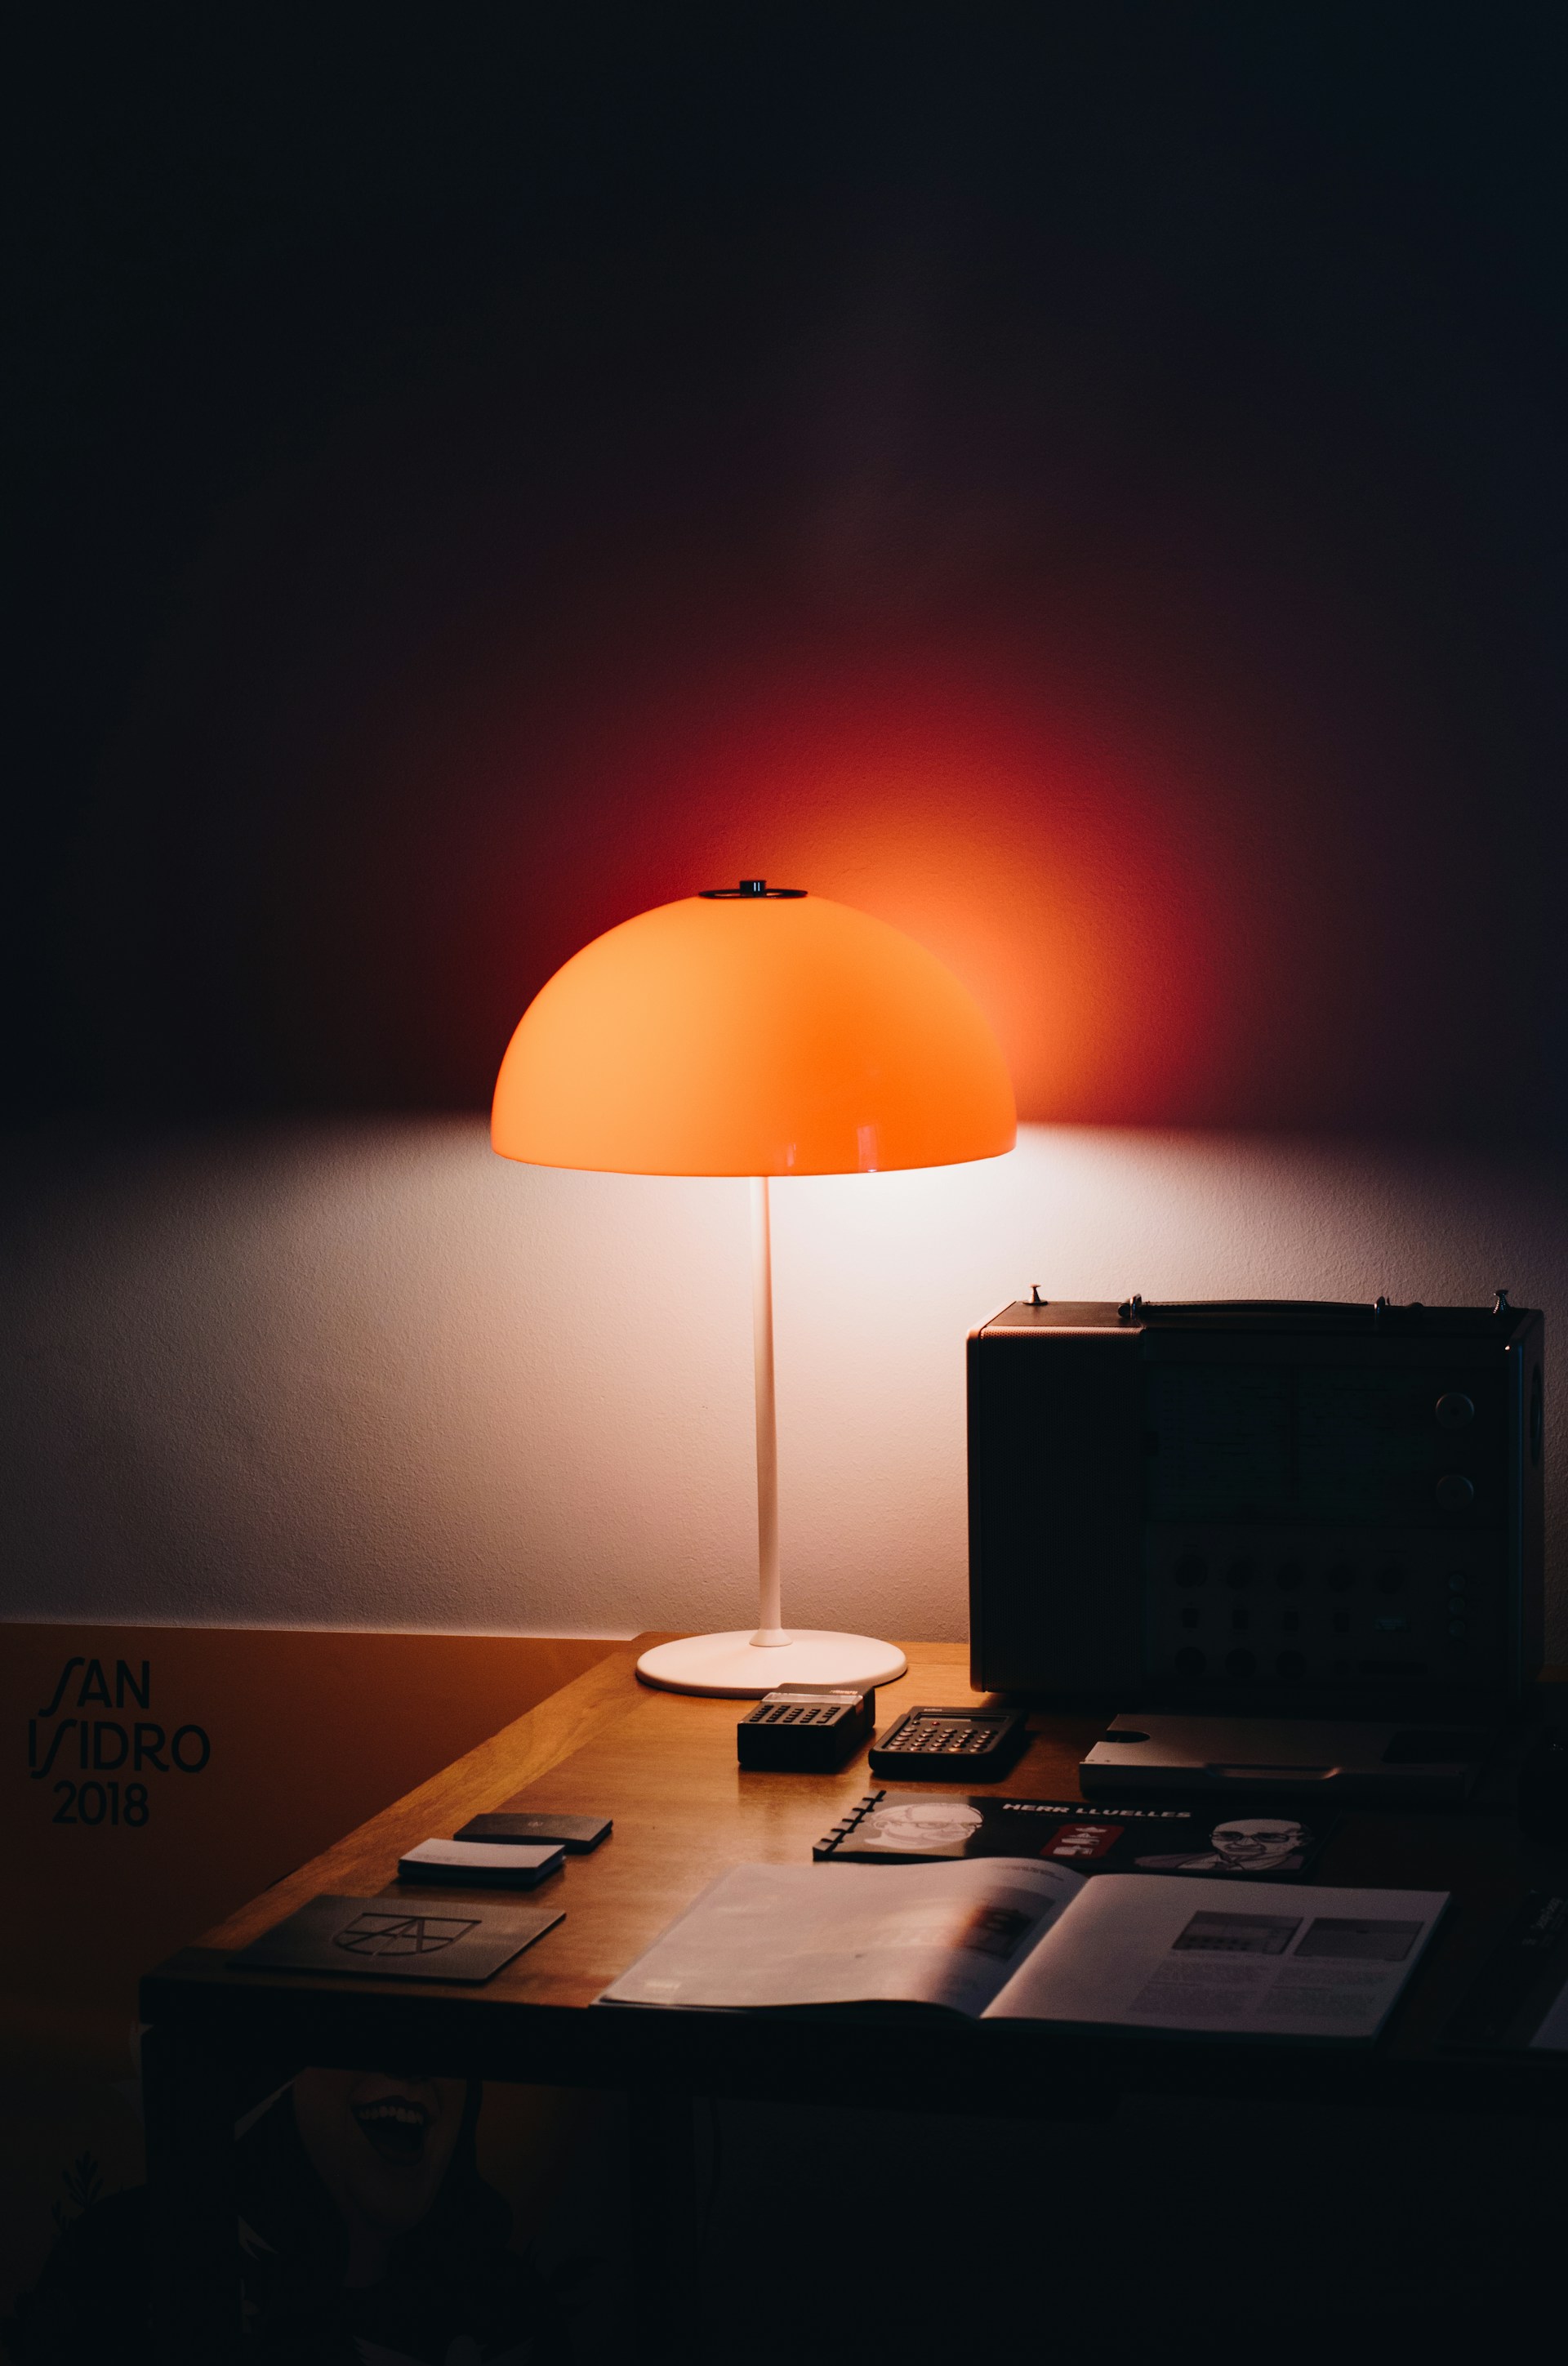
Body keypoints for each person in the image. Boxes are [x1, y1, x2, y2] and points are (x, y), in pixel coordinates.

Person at [1134, 1816, 1307, 1874]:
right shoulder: (1151, 1862)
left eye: (1268, 1837)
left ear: (1299, 1841)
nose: (1245, 1843)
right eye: (1229, 1836)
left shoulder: (1303, 1868)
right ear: (1212, 1838)